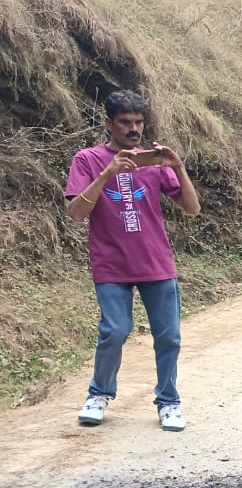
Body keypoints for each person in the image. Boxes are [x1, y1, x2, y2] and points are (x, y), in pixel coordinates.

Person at [65, 90, 201, 431]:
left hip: (156, 262)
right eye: (126, 122)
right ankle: (99, 394)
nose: (134, 129)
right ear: (109, 123)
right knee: (114, 330)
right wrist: (107, 173)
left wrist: (178, 166)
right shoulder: (87, 159)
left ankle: (168, 401)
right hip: (111, 265)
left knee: (169, 336)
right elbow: (77, 213)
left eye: (139, 122)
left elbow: (192, 208)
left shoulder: (153, 162)